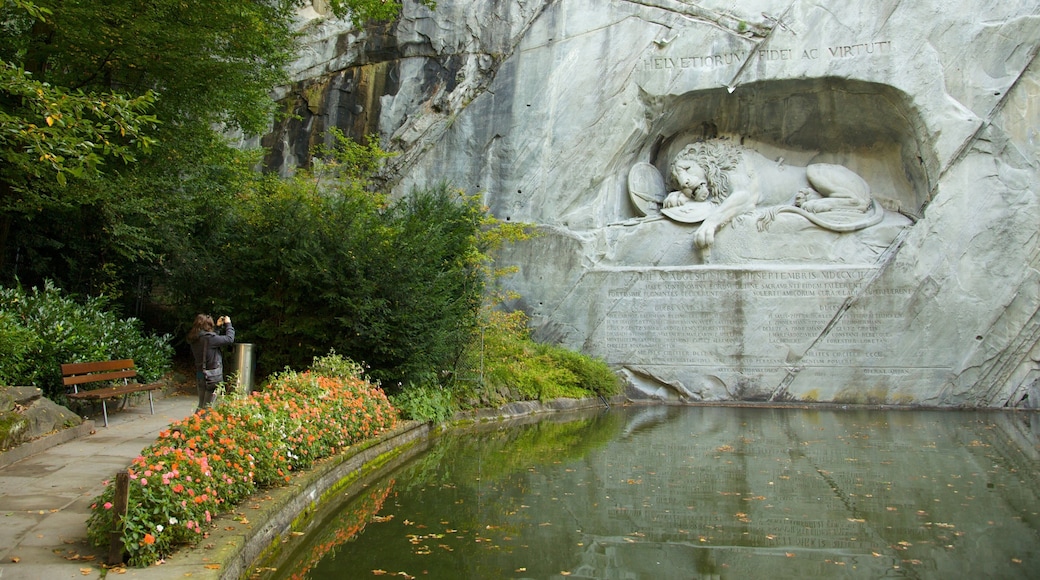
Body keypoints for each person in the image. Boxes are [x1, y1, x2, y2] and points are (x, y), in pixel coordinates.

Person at [187, 314, 235, 411]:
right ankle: (199, 424)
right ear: (208, 326)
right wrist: (228, 324)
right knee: (207, 407)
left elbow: (211, 341)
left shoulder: (195, 338)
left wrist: (217, 327)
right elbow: (229, 339)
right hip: (212, 376)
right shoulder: (209, 338)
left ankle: (195, 424)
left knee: (201, 405)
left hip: (200, 374)